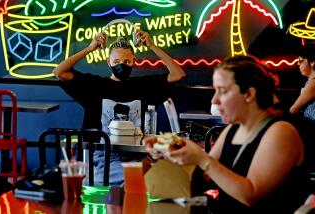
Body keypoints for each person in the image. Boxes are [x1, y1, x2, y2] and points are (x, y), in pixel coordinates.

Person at [144, 57, 310, 213]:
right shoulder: (233, 130)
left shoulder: (281, 132)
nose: (214, 100)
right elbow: (206, 176)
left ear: (249, 94)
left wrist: (201, 157)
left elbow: (250, 195)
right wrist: (171, 153)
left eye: (222, 91)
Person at [54, 28, 186, 186]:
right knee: (134, 182)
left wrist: (152, 45)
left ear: (133, 62)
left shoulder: (144, 86)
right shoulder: (95, 86)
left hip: (136, 156)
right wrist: (90, 48)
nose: (121, 66)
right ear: (108, 62)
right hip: (103, 156)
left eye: (126, 62)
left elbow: (178, 74)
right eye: (116, 62)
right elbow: (60, 72)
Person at [290, 43, 315, 120]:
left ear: (312, 62)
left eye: (301, 61)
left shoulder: (313, 83)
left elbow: (293, 109)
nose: (298, 63)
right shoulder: (311, 81)